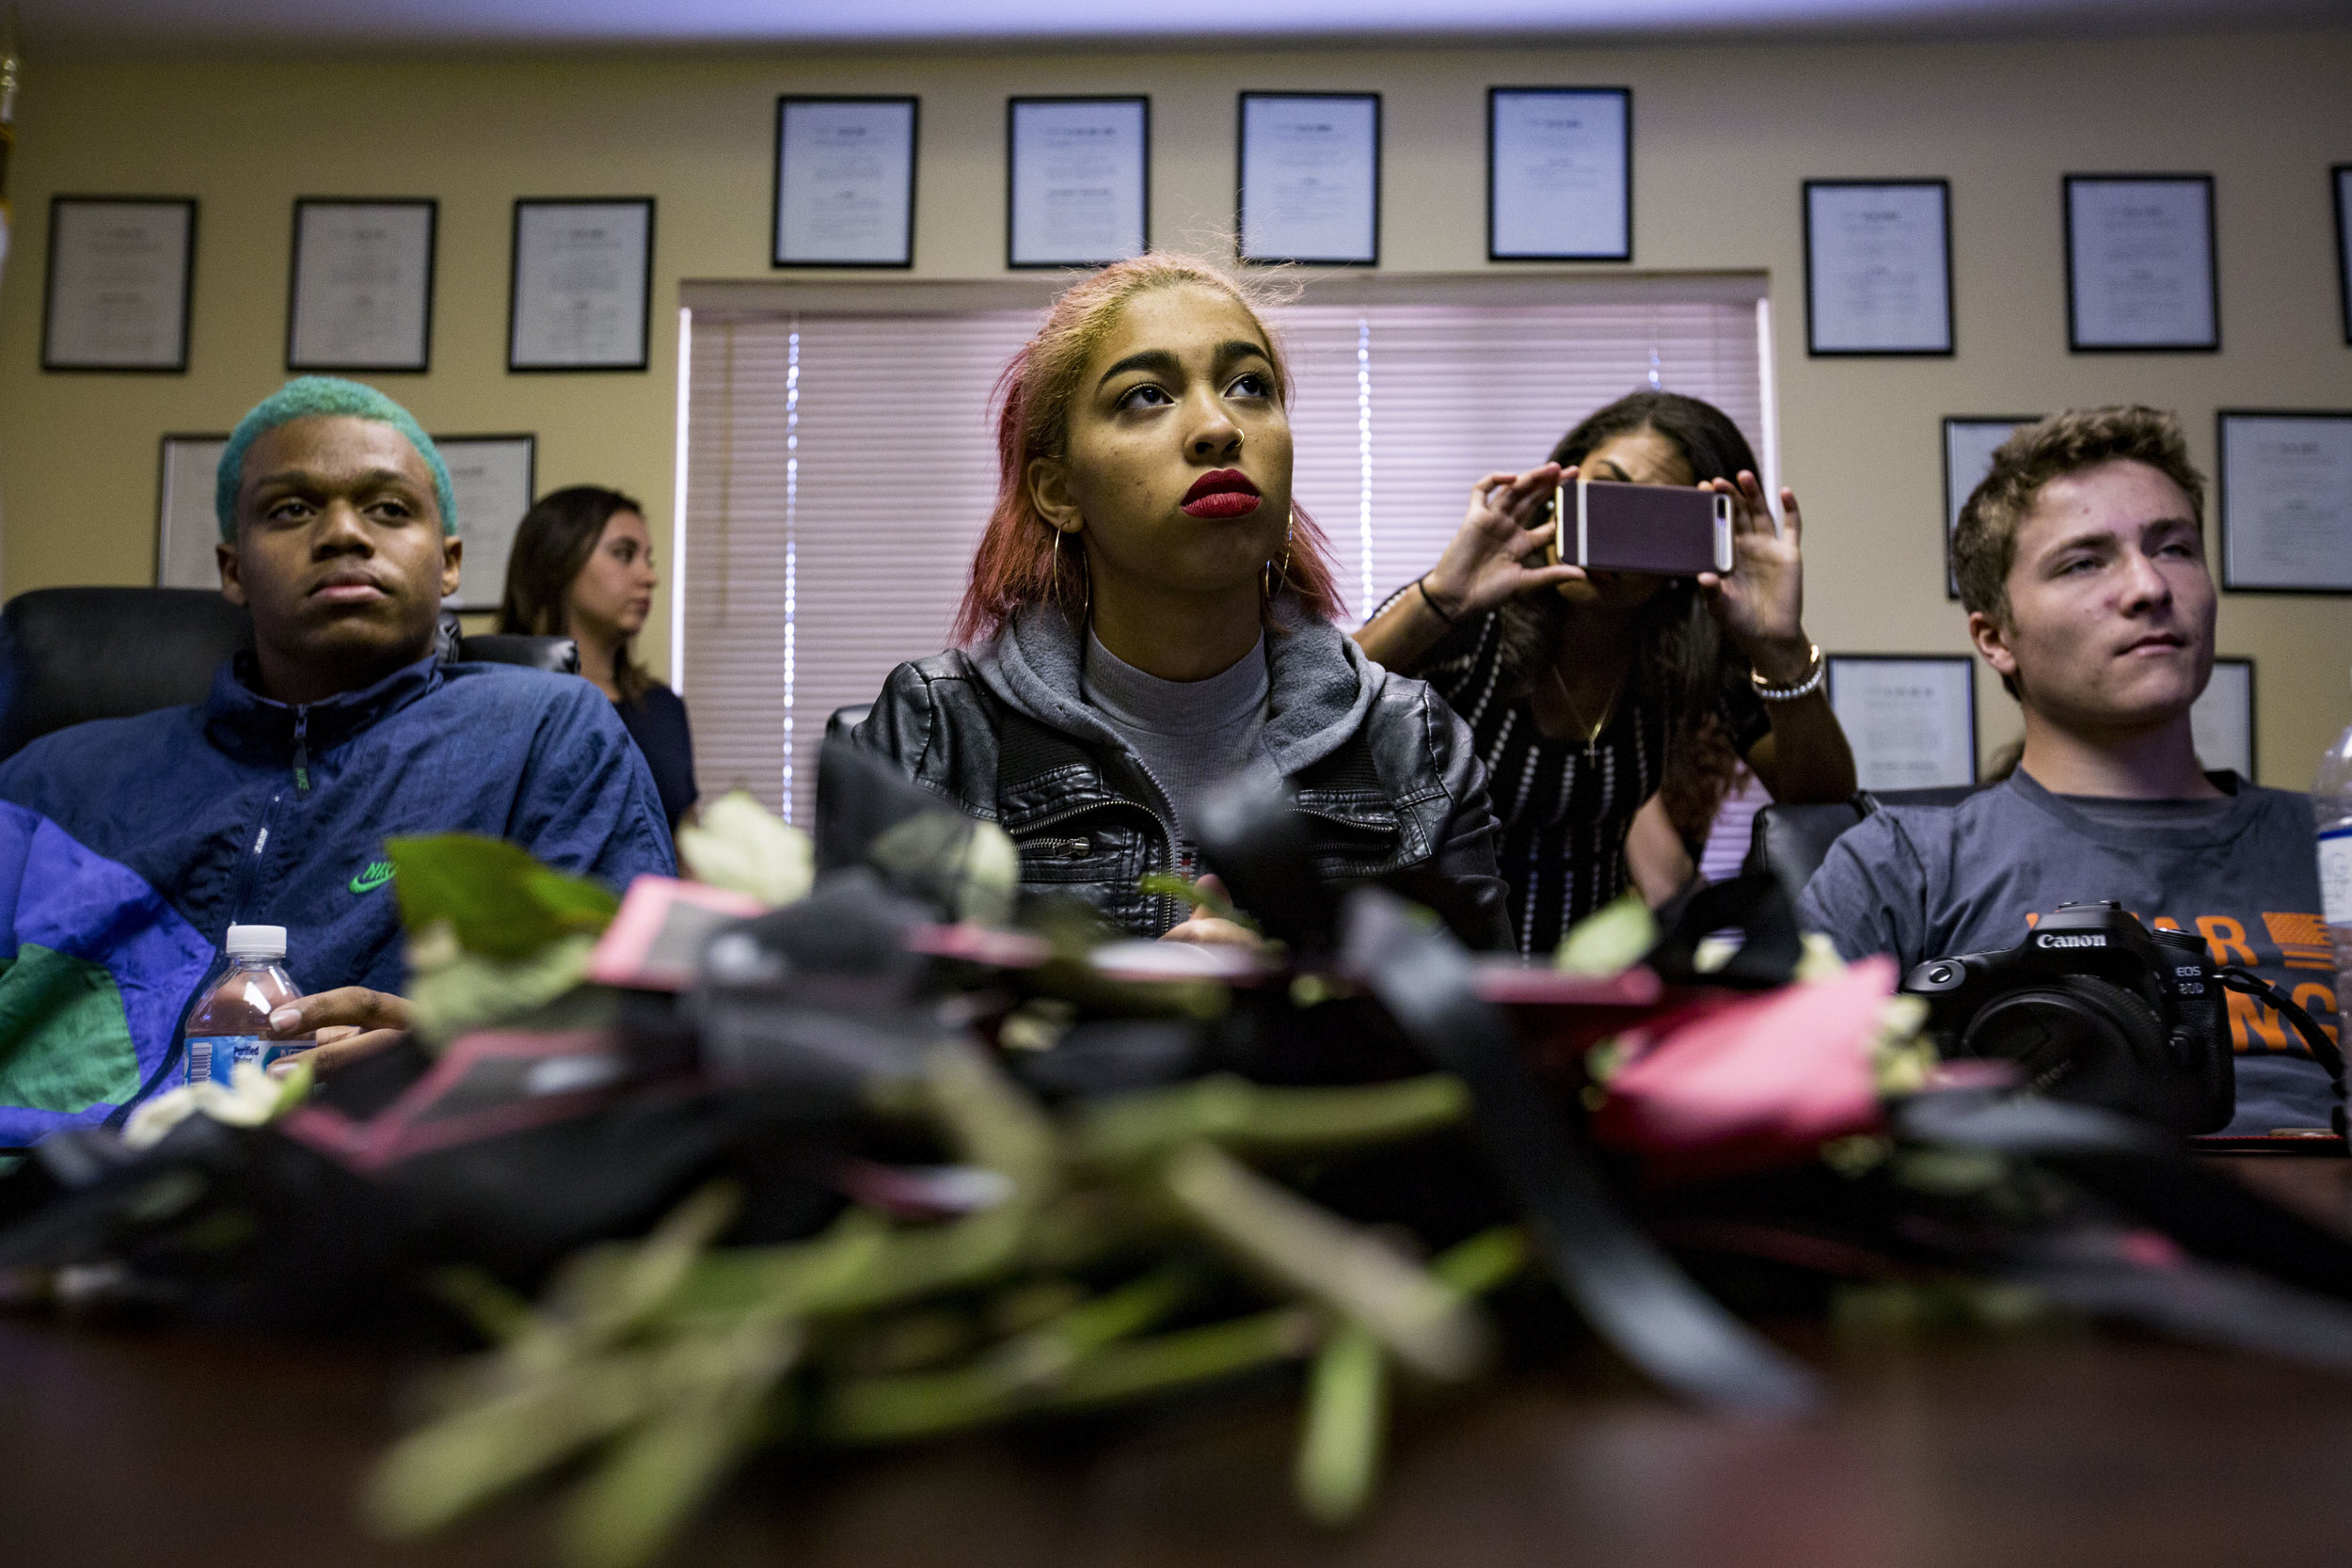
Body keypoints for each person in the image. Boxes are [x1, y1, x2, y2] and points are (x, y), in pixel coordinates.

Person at [0, 377, 674, 1145]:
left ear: (449, 562)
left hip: (351, 1195)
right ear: (232, 568)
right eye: (292, 509)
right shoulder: (50, 779)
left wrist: (451, 1057)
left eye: (389, 509)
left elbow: (636, 1036)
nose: (344, 533)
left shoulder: (545, 734)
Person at [850, 252, 1511, 950]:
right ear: (1059, 491)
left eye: (1250, 385)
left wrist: (1289, 1010)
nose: (1220, 426)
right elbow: (856, 1030)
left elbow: (1489, 1042)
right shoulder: (941, 731)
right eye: (1146, 395)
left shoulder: (1411, 741)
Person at [1798, 406, 2337, 1135]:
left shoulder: (2332, 841)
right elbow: (1779, 1104)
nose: (2149, 587)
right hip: (2047, 1226)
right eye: (2084, 562)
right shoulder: (1903, 865)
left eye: (2175, 547)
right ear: (1995, 638)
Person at [1353, 391, 1856, 957]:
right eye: (1605, 491)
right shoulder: (1468, 618)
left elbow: (1821, 797)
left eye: (1653, 520)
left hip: (1592, 978)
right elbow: (1308, 710)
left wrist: (1781, 647)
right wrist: (1440, 600)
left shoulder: (1686, 656)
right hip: (1436, 979)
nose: (1614, 541)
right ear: (1559, 491)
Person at [499, 485, 698, 832]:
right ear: (556, 561)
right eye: (623, 554)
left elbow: (686, 851)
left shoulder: (664, 709)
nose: (649, 577)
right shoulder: (498, 703)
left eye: (647, 559)